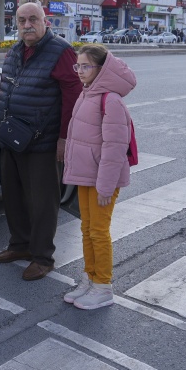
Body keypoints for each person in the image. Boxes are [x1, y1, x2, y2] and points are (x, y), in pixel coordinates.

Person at [0, 2, 81, 280]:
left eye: (33, 19)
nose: (27, 25)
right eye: (21, 20)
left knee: (42, 202)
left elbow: (73, 98)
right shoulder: (17, 50)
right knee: (14, 197)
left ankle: (43, 257)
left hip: (43, 141)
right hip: (13, 138)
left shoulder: (61, 52)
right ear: (16, 24)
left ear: (46, 22)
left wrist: (65, 138)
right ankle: (20, 245)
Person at [62, 43, 136, 309]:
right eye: (77, 65)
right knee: (86, 229)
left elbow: (115, 148)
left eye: (85, 66)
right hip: (86, 175)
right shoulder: (87, 94)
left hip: (103, 180)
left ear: (101, 69)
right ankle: (90, 277)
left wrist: (105, 186)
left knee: (99, 231)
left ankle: (103, 286)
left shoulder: (111, 100)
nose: (80, 71)